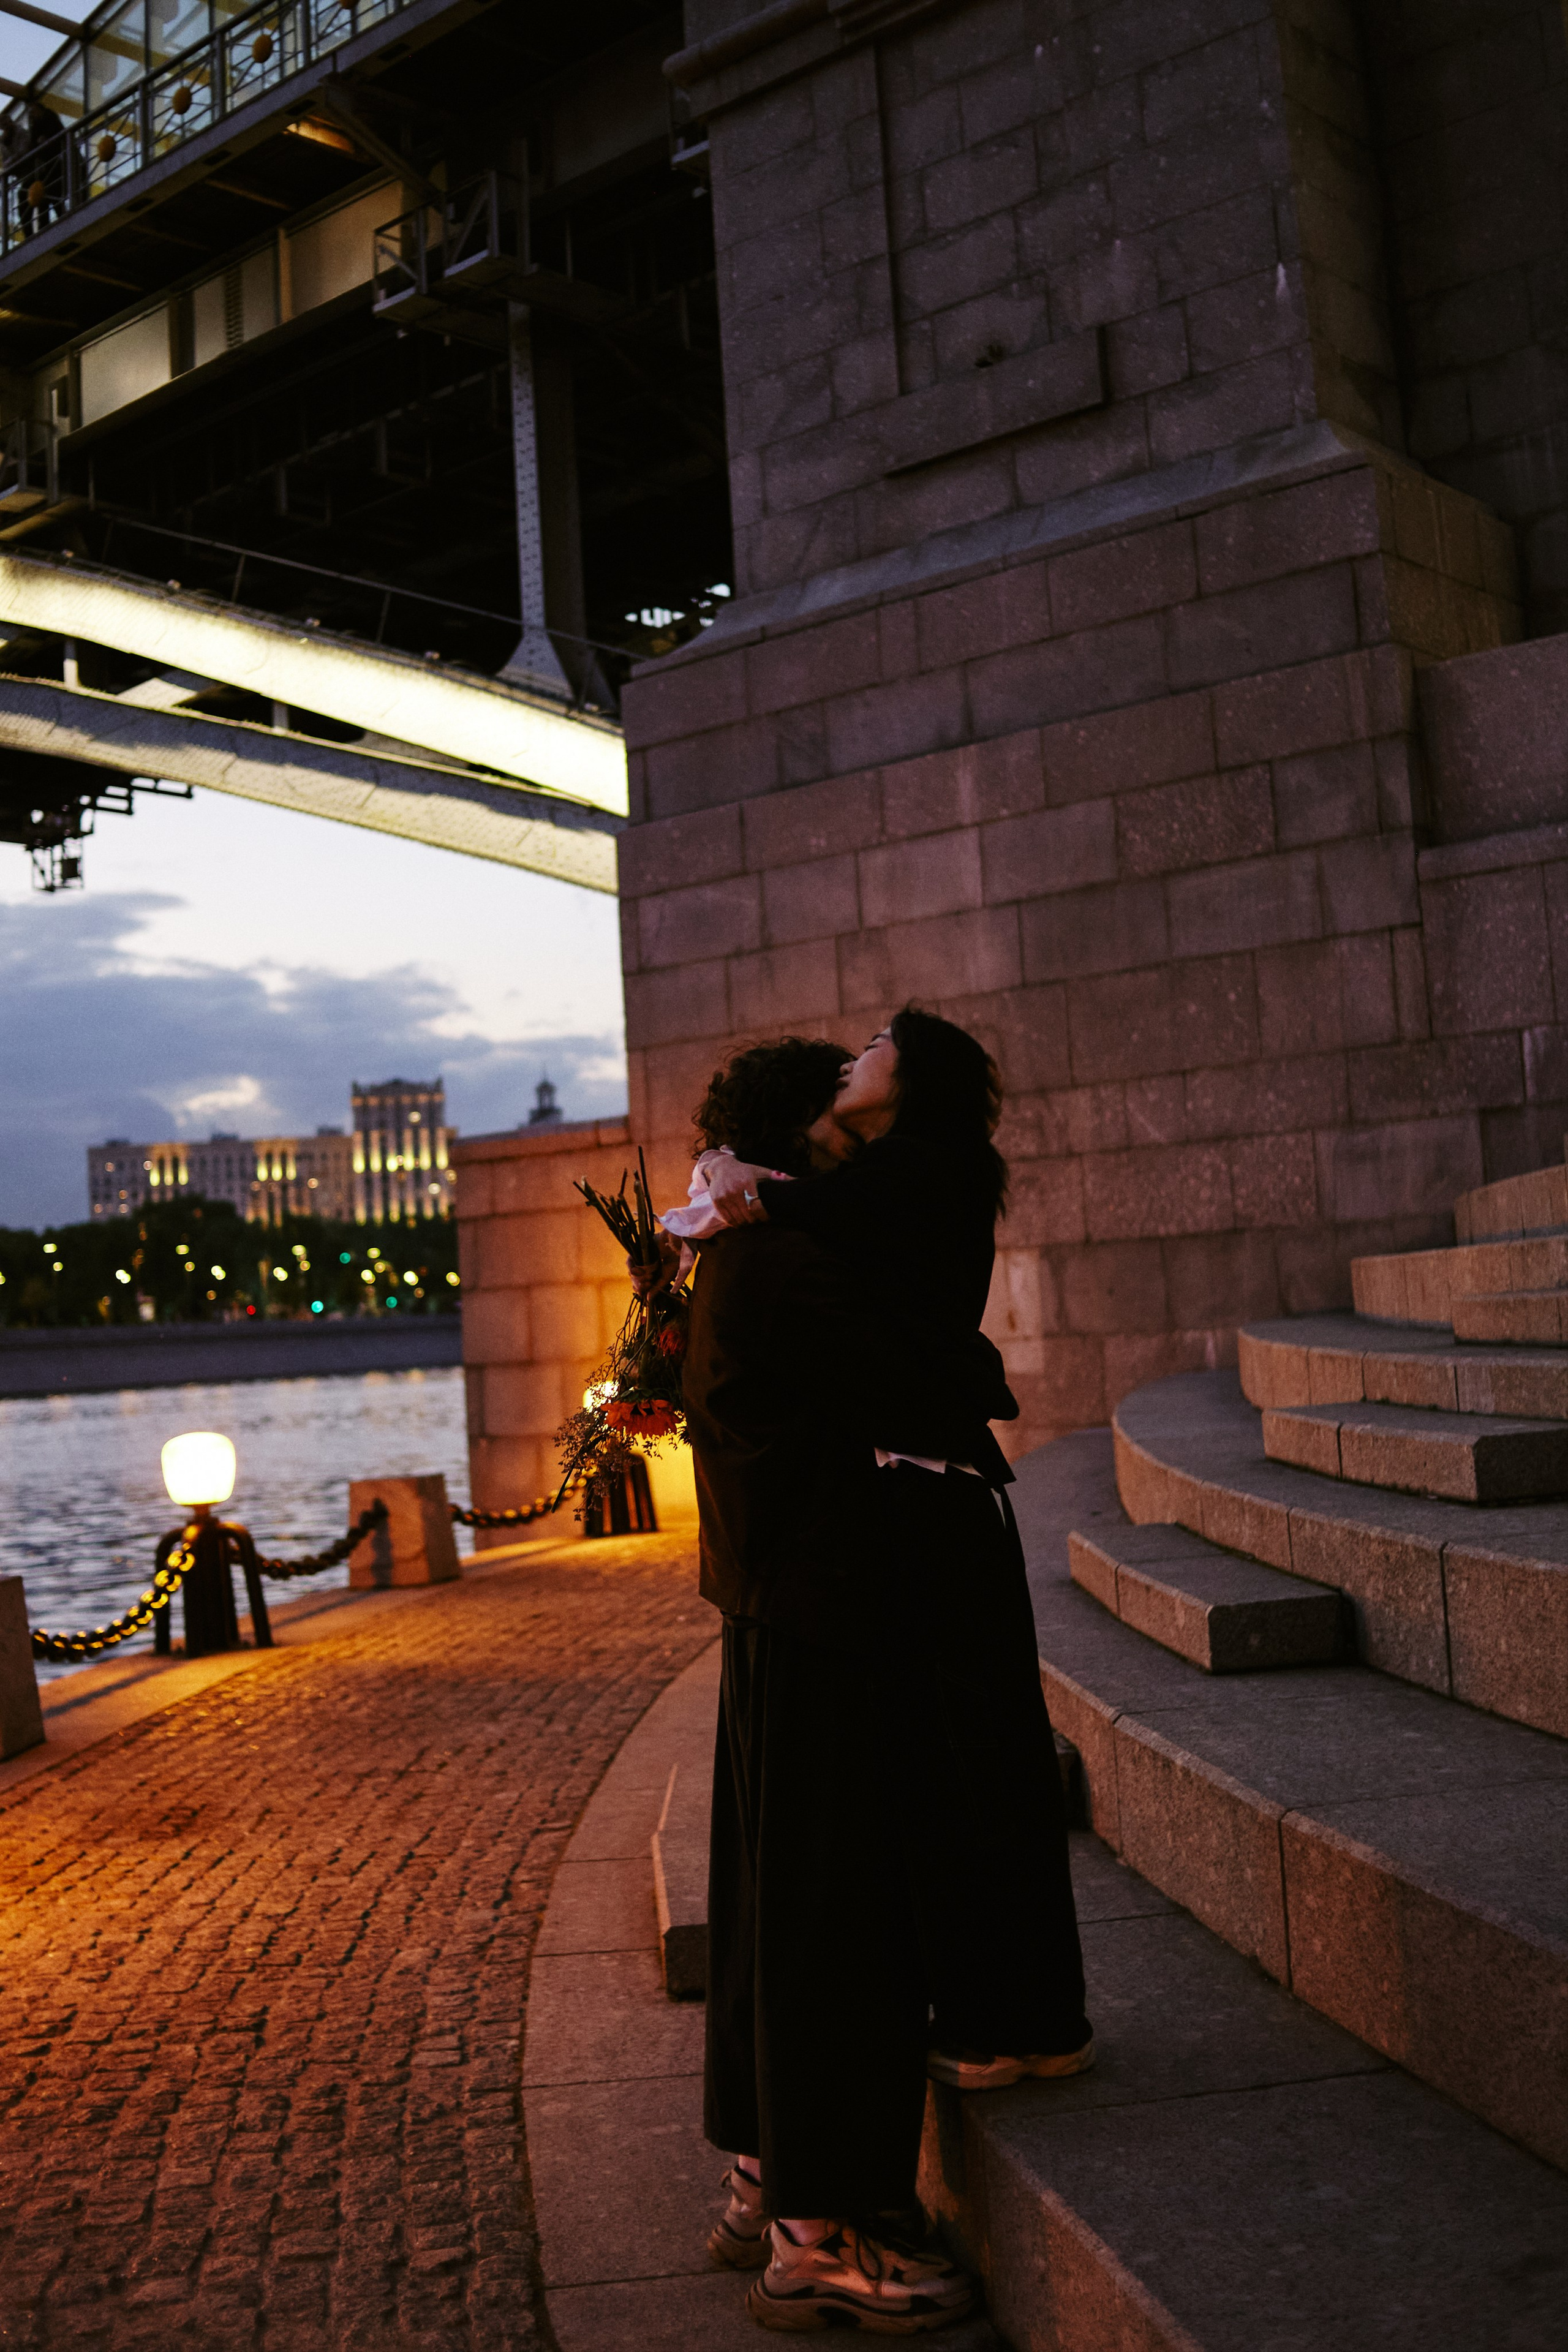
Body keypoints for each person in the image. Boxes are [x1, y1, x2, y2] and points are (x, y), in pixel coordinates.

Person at [699, 1006, 1091, 2095]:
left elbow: (795, 1212)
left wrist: (734, 1183)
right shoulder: (924, 1174)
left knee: (967, 1770)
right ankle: (1032, 2016)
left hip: (936, 1509)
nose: (858, 1055)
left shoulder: (915, 1169)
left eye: (876, 1046)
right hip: (943, 1505)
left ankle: (1003, 2023)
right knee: (989, 1764)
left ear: (915, 1080)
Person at [669, 1036, 989, 2334]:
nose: (860, 1153)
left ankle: (765, 2174)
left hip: (769, 1619)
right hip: (824, 1624)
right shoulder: (791, 1264)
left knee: (771, 1913)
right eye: (843, 1125)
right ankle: (825, 2238)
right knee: (837, 1929)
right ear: (805, 1131)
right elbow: (933, 1382)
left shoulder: (731, 1250)